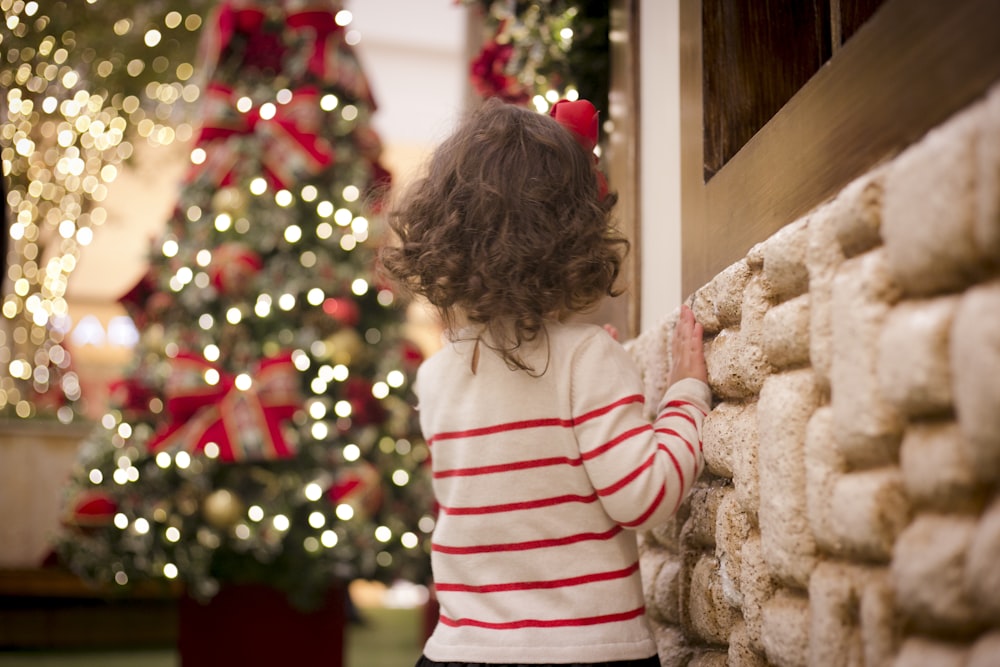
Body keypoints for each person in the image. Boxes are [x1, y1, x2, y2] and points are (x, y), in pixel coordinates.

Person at [379, 97, 710, 667]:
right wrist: (686, 395)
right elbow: (644, 496)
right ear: (575, 235)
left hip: (462, 649)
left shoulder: (435, 376)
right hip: (581, 650)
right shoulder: (587, 358)